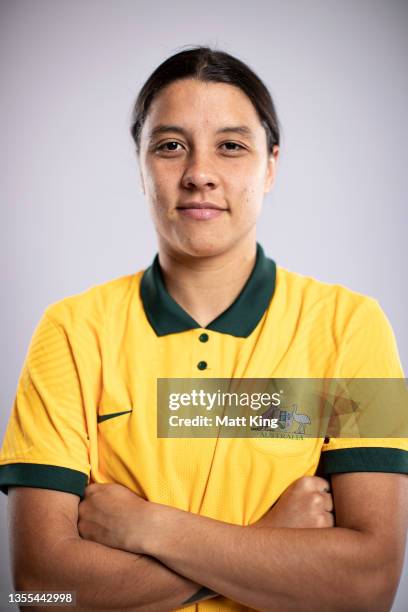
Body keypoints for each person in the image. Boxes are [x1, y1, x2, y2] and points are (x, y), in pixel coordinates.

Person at [1, 46, 407, 612]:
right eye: (170, 147)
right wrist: (270, 538)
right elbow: (43, 591)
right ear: (140, 169)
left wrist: (148, 526)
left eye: (232, 146)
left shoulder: (350, 328)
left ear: (270, 167)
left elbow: (368, 588)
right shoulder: (71, 332)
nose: (199, 175)